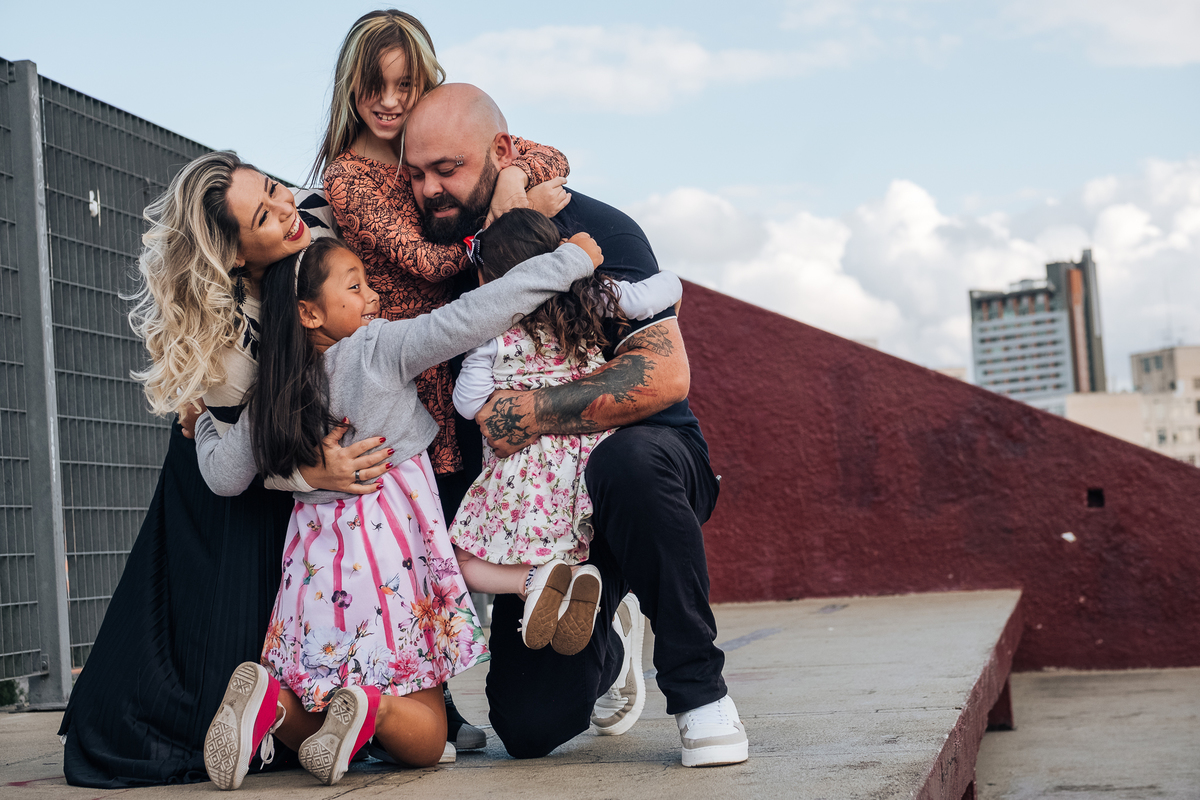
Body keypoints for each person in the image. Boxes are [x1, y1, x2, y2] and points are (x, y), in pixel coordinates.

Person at [402, 84, 750, 767]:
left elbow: (663, 375)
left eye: (447, 169)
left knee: (629, 464)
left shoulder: (594, 231)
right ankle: (608, 637)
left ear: (502, 151)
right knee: (529, 728)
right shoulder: (441, 260)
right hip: (538, 513)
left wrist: (529, 412)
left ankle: (700, 694)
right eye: (415, 174)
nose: (430, 189)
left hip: (637, 478)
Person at [192, 233, 599, 788]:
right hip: (391, 568)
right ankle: (374, 706)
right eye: (354, 286)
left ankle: (273, 704)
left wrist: (204, 423)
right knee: (429, 738)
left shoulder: (273, 393)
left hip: (315, 578)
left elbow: (222, 476)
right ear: (310, 313)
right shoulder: (376, 350)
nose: (373, 296)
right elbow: (472, 315)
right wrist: (570, 261)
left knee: (320, 706)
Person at [56, 152, 394, 788]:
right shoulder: (223, 331)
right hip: (229, 481)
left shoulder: (316, 219)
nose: (286, 209)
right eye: (263, 217)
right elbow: (236, 462)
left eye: (273, 189)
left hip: (290, 459)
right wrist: (308, 476)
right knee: (216, 654)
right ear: (236, 255)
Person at [315, 9, 570, 526]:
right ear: (350, 86)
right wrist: (500, 225)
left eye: (404, 85)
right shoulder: (347, 176)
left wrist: (511, 179)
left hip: (467, 334)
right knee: (423, 512)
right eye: (375, 86)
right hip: (405, 359)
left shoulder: (438, 136)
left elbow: (553, 158)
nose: (390, 101)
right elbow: (427, 262)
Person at [446, 208, 683, 656]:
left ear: (489, 279)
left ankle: (532, 582)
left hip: (526, 471)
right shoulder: (595, 300)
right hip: (590, 459)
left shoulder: (491, 332)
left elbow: (468, 404)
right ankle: (579, 580)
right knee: (567, 544)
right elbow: (663, 287)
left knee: (461, 561)